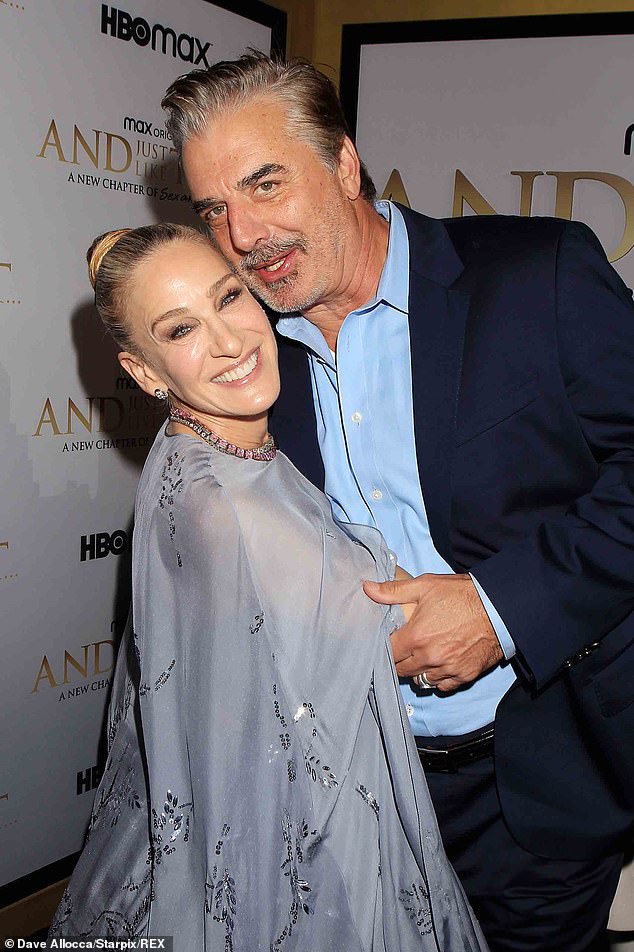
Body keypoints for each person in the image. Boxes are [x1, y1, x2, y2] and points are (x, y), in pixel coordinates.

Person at [161, 51, 634, 952]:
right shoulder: (242, 359)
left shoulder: (537, 276)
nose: (243, 233)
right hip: (350, 795)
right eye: (213, 208)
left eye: (265, 183)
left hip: (537, 788)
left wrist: (499, 609)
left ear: (344, 164)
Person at [49, 223, 488, 950]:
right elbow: (415, 632)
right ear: (144, 373)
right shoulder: (224, 508)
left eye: (228, 297)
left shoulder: (210, 449)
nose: (229, 341)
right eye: (182, 329)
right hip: (311, 857)